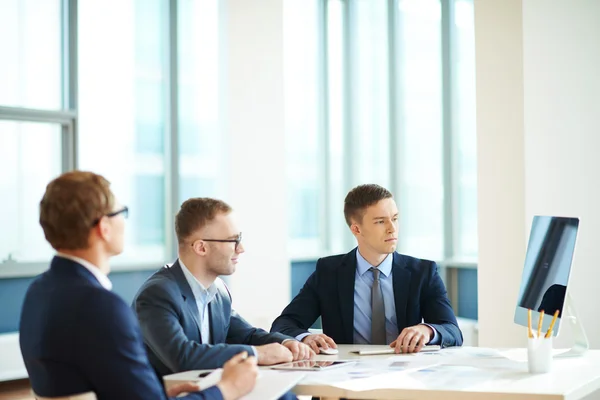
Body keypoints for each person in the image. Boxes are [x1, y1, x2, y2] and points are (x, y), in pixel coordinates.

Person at [19, 171, 257, 400]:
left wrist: (159, 392)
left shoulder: (39, 290)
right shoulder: (102, 306)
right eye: (121, 212)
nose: (124, 221)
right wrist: (227, 388)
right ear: (104, 227)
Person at [271, 184, 463, 354]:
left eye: (395, 218)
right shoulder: (329, 272)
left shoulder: (423, 272)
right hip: (345, 378)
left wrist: (427, 330)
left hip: (405, 378)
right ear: (356, 229)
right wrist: (306, 337)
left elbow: (452, 331)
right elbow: (283, 325)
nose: (392, 228)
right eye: (381, 221)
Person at [132, 197, 313, 378]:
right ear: (201, 247)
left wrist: (287, 342)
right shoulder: (157, 294)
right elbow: (183, 356)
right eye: (233, 240)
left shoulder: (218, 291)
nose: (240, 248)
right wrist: (259, 354)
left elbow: (247, 335)